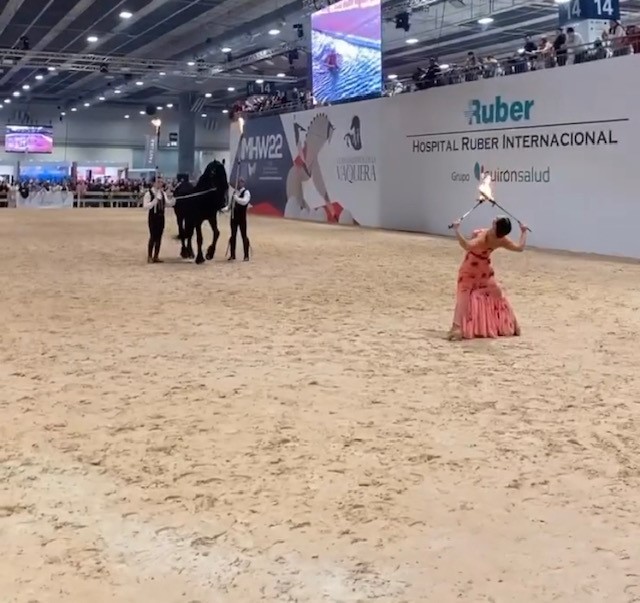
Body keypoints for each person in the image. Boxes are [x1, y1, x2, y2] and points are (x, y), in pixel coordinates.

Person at [448, 216, 527, 341]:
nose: (495, 217)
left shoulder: (483, 237)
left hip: (470, 269)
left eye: (497, 219)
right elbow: (520, 248)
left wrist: (456, 230)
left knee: (464, 295)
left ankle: (457, 328)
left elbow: (467, 246)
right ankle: (514, 325)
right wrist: (524, 232)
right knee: (497, 293)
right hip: (485, 270)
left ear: (495, 226)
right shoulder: (501, 239)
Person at [143, 177, 174, 263]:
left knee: (159, 237)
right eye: (158, 182)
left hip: (161, 217)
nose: (160, 183)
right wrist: (154, 201)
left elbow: (167, 204)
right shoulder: (148, 193)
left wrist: (173, 201)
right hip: (153, 217)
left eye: (161, 182)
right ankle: (149, 256)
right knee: (153, 236)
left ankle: (156, 256)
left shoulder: (162, 193)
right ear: (154, 183)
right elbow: (145, 206)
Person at [228, 177, 251, 261]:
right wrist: (223, 209)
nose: (239, 183)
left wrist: (236, 198)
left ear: (243, 183)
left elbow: (244, 202)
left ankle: (246, 255)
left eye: (241, 182)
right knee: (233, 236)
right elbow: (230, 206)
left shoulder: (246, 192)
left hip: (241, 218)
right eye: (238, 182)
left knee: (244, 236)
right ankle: (232, 255)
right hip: (233, 218)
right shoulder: (235, 193)